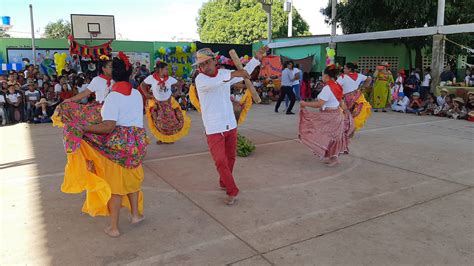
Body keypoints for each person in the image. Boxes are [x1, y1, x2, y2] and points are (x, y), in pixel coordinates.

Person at [56, 52, 149, 237]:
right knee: (130, 180)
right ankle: (136, 215)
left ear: (111, 75)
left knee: (115, 187)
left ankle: (113, 227)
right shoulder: (137, 94)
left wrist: (84, 127)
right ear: (130, 73)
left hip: (119, 145)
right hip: (137, 142)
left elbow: (108, 126)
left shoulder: (113, 97)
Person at [194, 46, 267, 205]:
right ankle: (232, 190)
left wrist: (256, 58)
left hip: (230, 124)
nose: (205, 66)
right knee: (220, 160)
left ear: (214, 61)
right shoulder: (201, 79)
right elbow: (216, 82)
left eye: (208, 62)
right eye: (202, 64)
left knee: (231, 158)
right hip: (214, 128)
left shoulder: (223, 74)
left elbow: (243, 72)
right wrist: (235, 73)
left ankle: (224, 181)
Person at [299, 64, 353, 167]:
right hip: (335, 115)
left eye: (322, 74)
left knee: (329, 136)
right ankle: (331, 157)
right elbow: (341, 101)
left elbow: (319, 104)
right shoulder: (336, 85)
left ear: (327, 76)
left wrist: (305, 103)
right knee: (331, 137)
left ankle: (334, 158)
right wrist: (346, 111)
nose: (322, 76)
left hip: (331, 116)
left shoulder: (328, 88)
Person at [140, 61, 191, 144]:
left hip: (168, 104)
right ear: (160, 70)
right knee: (159, 122)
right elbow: (142, 85)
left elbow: (180, 84)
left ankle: (169, 139)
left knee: (171, 122)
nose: (168, 71)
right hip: (157, 104)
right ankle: (162, 138)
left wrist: (177, 92)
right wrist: (147, 94)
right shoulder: (151, 78)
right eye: (166, 69)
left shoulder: (170, 79)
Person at [337, 63, 372, 132]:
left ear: (349, 69)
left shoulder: (343, 77)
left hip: (347, 98)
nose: (343, 70)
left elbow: (336, 86)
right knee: (354, 114)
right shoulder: (359, 75)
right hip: (357, 96)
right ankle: (350, 129)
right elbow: (369, 79)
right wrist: (362, 87)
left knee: (344, 113)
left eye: (345, 68)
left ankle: (346, 129)